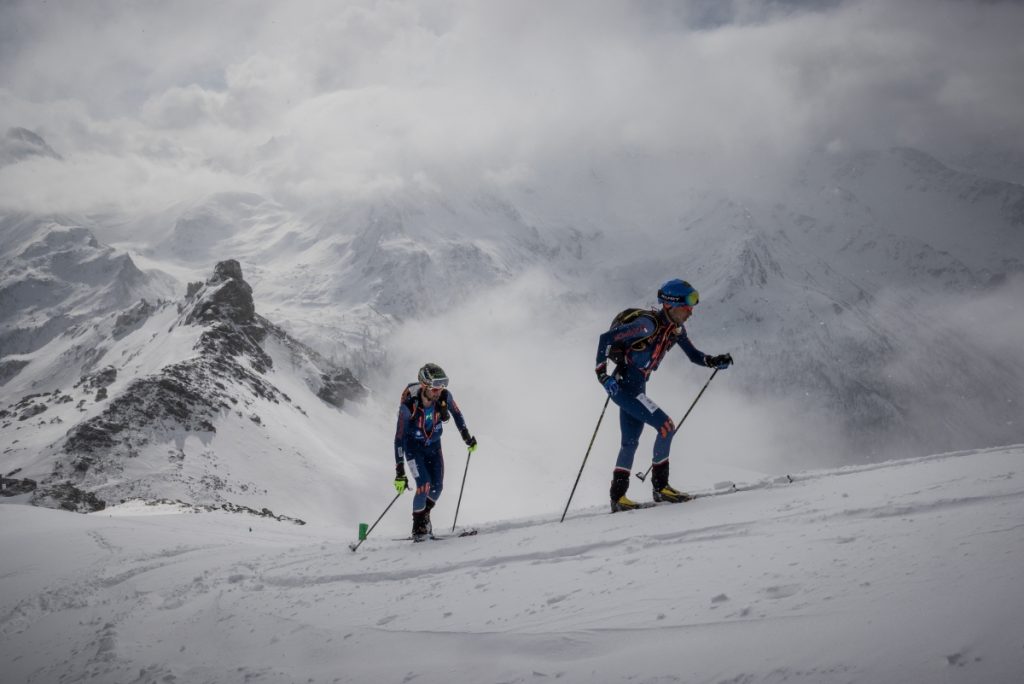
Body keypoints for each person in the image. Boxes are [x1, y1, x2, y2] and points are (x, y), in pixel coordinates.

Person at [595, 279, 733, 512]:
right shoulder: (646, 326)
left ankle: (618, 498)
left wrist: (712, 361)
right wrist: (602, 376)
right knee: (666, 426)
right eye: (687, 306)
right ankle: (661, 488)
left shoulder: (675, 330)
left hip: (636, 388)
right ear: (670, 305)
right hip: (623, 388)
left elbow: (693, 355)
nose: (691, 311)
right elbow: (605, 339)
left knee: (629, 443)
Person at [393, 363, 478, 540]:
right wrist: (399, 472)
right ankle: (418, 529)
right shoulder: (408, 407)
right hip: (413, 449)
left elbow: (457, 414)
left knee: (437, 487)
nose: (438, 391)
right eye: (434, 388)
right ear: (424, 386)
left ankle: (424, 518)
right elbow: (399, 438)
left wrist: (467, 437)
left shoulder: (444, 397)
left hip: (434, 447)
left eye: (441, 387)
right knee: (423, 485)